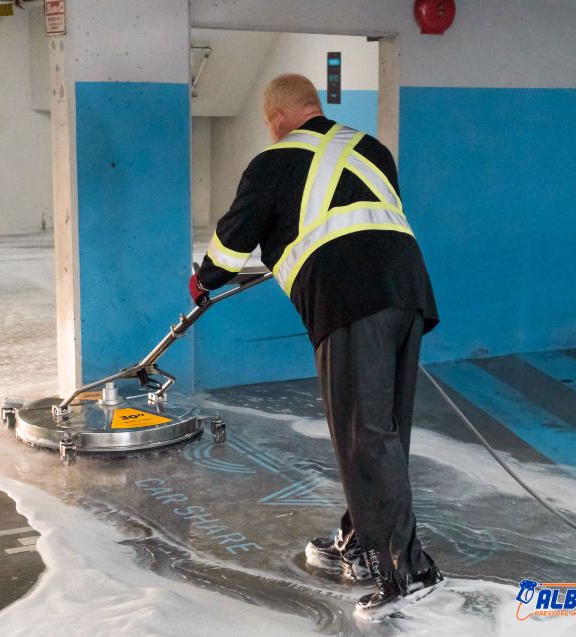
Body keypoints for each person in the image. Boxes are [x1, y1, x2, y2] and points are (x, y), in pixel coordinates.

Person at [189, 73, 443, 619]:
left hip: (349, 301)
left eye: (269, 124)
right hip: (408, 291)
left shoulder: (273, 161)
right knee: (384, 428)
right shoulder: (370, 149)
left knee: (363, 437)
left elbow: (233, 243)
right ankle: (361, 536)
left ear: (278, 118)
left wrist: (205, 278)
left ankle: (405, 574)